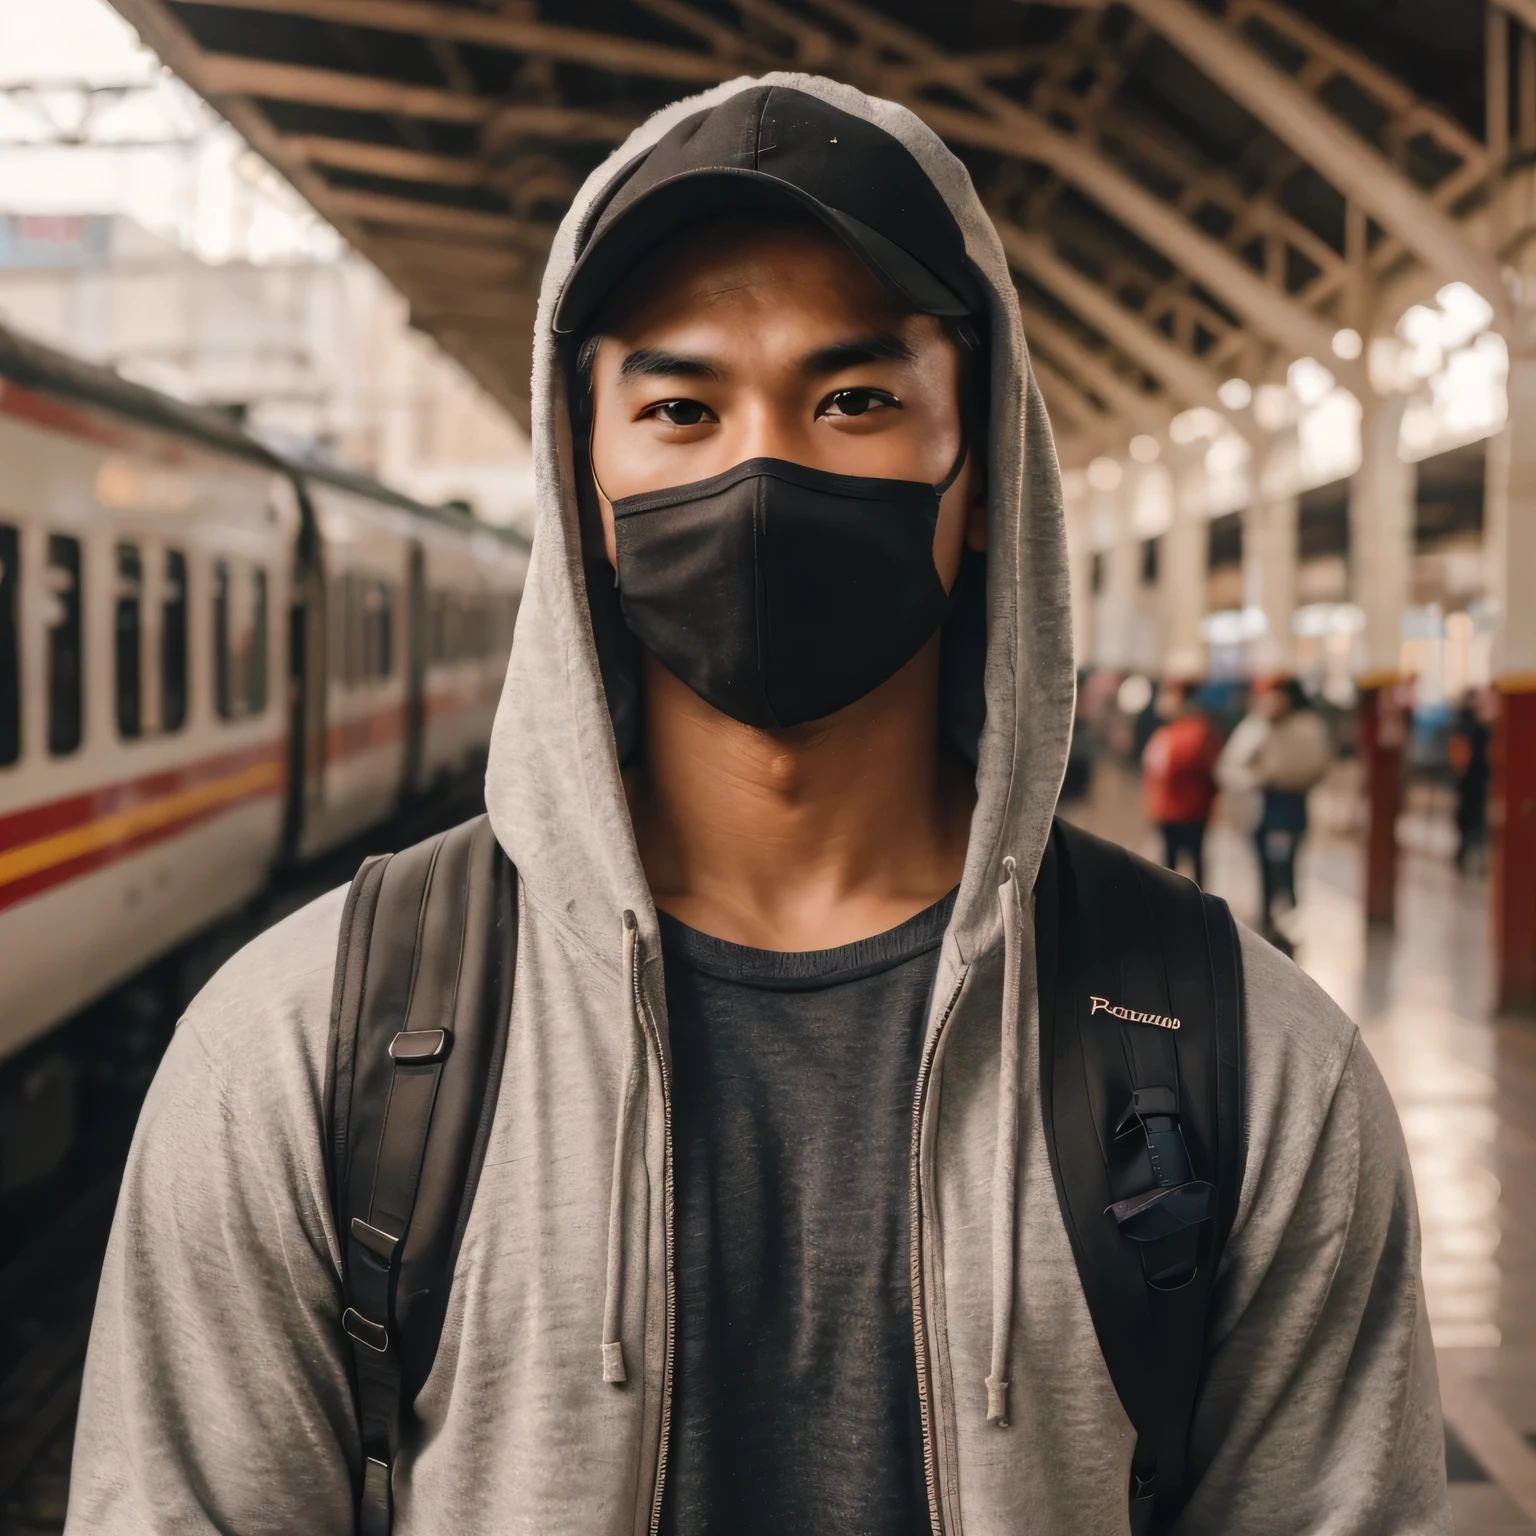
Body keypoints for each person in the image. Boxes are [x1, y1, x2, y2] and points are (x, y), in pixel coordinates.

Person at [66, 76, 1447, 1536]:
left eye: (855, 399)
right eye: (678, 406)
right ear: (581, 478)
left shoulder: (1257, 1072)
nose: (760, 467)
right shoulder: (300, 1056)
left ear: (981, 470)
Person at [1250, 678, 1333, 954]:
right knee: (1272, 864)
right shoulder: (1270, 723)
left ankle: (1281, 918)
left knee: (1280, 865)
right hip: (1272, 806)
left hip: (1285, 805)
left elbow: (1296, 767)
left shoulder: (1302, 727)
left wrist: (1264, 772)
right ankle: (1272, 917)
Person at [1141, 679, 1223, 887]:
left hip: (1188, 808)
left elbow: (1178, 766)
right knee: (1171, 861)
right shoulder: (1171, 730)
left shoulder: (1194, 731)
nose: (1162, 702)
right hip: (1169, 808)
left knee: (1190, 860)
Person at [1449, 687, 1493, 875]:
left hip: (1470, 780)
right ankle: (1467, 861)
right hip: (1473, 780)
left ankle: (1468, 861)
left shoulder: (1467, 724)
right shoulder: (1470, 725)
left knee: (1471, 822)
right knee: (1472, 822)